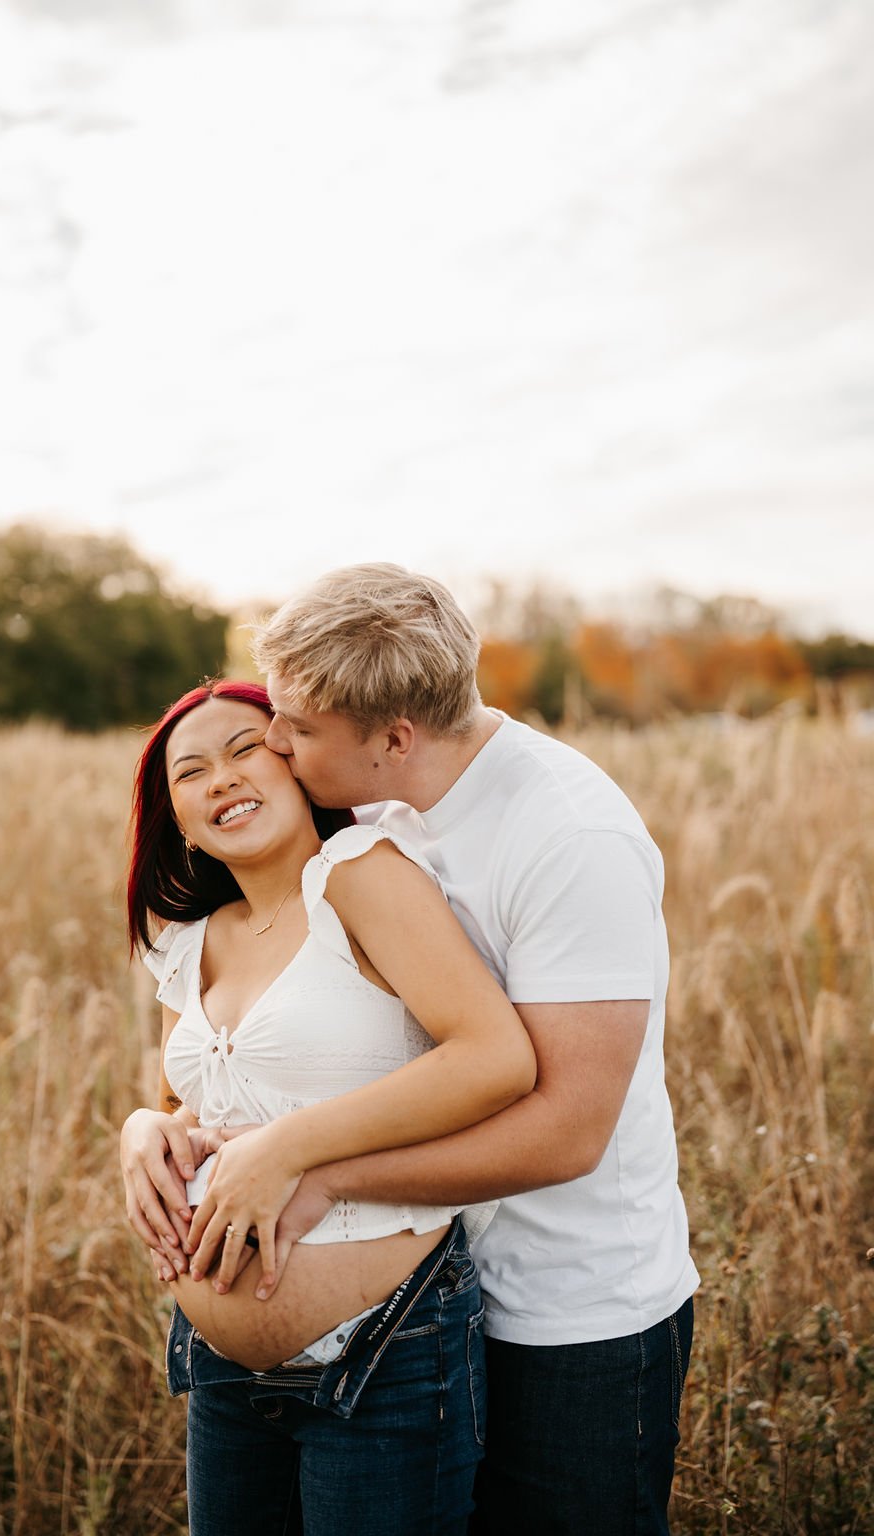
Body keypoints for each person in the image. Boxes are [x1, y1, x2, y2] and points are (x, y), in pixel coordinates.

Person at [122, 566, 699, 1536]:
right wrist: (162, 1126)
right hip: (443, 1286)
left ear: (395, 737)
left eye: (295, 731)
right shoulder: (378, 811)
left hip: (571, 1312)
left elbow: (564, 1133)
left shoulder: (569, 837)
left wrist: (317, 1169)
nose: (273, 743)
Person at [121, 678, 537, 1536]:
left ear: (297, 761)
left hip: (384, 1347)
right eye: (190, 773)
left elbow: (494, 1057)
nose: (222, 780)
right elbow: (188, 1103)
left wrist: (289, 1150)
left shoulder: (356, 877)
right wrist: (144, 1130)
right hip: (220, 1367)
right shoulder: (189, 939)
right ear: (176, 815)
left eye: (245, 750)